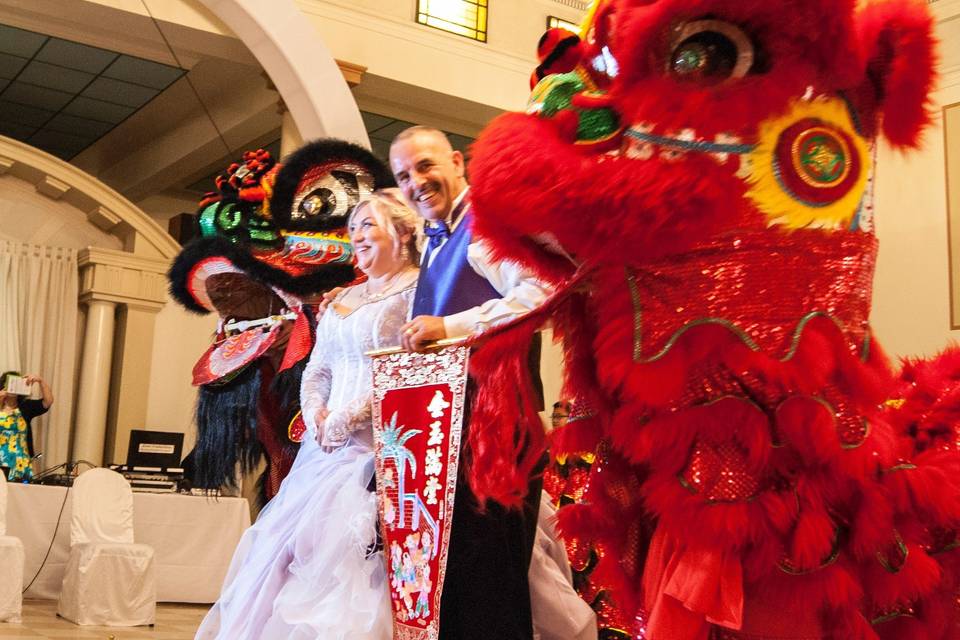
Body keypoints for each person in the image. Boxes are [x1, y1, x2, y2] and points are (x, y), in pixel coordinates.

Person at [195, 190, 420, 640]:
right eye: (353, 228)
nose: (357, 236)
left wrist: (351, 416)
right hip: (324, 451)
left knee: (359, 565)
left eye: (369, 226)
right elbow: (319, 367)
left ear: (404, 232)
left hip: (385, 445)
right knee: (290, 553)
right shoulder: (342, 300)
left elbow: (409, 369)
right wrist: (317, 410)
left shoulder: (421, 291)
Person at [389, 126, 553, 640]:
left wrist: (450, 328)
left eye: (424, 165)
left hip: (495, 431)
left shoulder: (487, 225)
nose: (416, 182)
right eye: (402, 176)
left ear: (458, 162)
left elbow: (543, 292)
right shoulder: (433, 241)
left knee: (491, 582)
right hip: (447, 432)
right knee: (453, 578)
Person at [0, 372, 52, 481]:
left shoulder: (26, 406)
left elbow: (48, 402)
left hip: (21, 460)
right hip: (1, 459)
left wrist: (40, 380)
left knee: (20, 494)